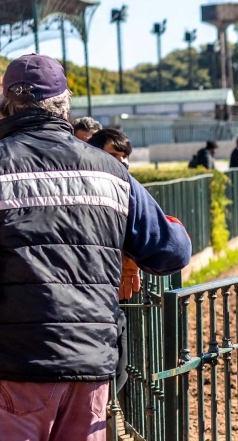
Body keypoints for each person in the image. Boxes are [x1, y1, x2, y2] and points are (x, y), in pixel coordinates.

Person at [0, 53, 192, 441]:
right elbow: (171, 250)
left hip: (11, 364)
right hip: (90, 370)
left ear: (6, 106)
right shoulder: (110, 172)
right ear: (64, 108)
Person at [87, 128, 137, 392]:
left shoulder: (126, 186)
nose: (122, 163)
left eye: (125, 157)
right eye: (115, 155)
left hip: (112, 294)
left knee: (120, 370)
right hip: (92, 294)